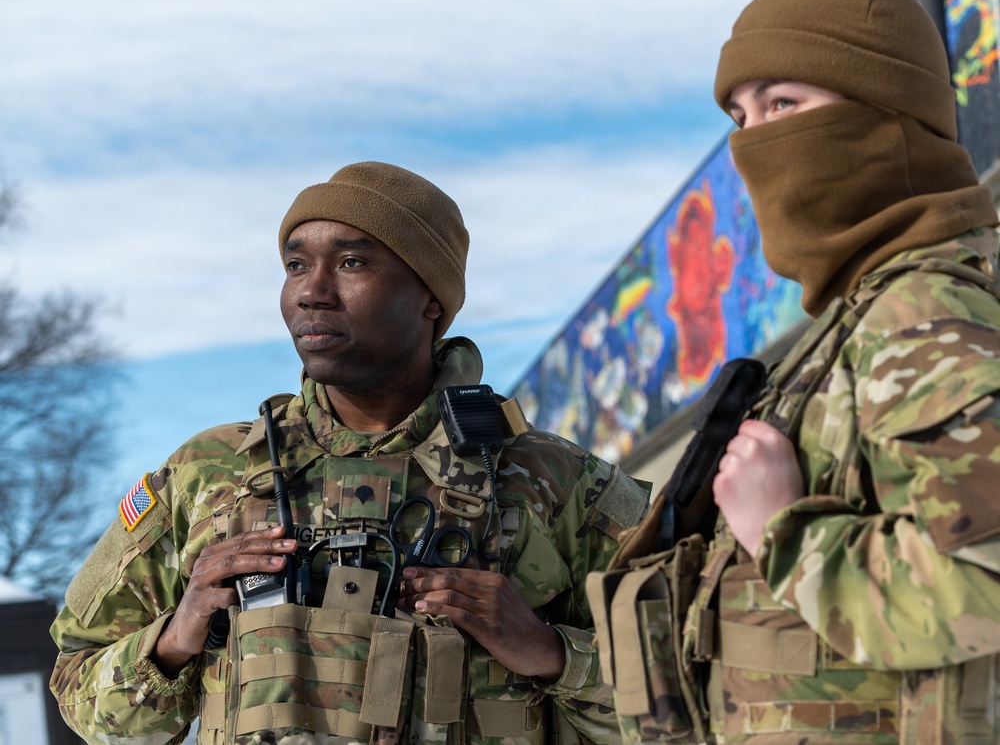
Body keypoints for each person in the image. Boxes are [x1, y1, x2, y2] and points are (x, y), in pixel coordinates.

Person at [49, 161, 651, 745]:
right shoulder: (206, 475)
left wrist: (553, 655)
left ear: (430, 297)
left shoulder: (554, 480)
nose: (312, 292)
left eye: (352, 262)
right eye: (295, 265)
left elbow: (699, 696)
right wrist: (177, 637)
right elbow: (78, 689)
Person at [597, 0, 1000, 743]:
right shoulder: (854, 323)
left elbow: (984, 583)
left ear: (888, 109)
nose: (756, 143)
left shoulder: (921, 312)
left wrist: (786, 530)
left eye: (785, 102)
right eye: (742, 118)